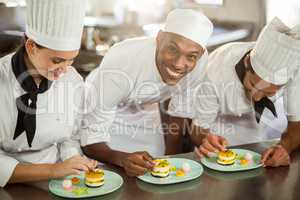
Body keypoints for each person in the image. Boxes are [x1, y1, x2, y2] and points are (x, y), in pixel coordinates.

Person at [81, 9, 213, 177]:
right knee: (107, 172)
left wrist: (171, 162)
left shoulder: (199, 64)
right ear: (159, 38)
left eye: (191, 56)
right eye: (172, 49)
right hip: (105, 103)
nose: (180, 64)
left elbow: (179, 111)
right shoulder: (122, 60)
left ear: (200, 55)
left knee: (154, 163)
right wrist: (121, 159)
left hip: (147, 106)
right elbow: (90, 140)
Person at [167, 17, 300, 167]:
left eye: (268, 93)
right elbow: (198, 129)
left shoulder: (294, 74)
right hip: (218, 123)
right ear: (246, 62)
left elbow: (297, 125)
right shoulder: (215, 72)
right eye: (252, 85)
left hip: (254, 127)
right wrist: (206, 140)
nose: (256, 97)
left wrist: (284, 148)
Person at [0, 0, 97, 187]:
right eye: (57, 60)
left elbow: (70, 137)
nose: (64, 70)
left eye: (71, 60)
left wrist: (76, 164)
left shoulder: (72, 80)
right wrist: (51, 171)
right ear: (31, 47)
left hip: (58, 183)